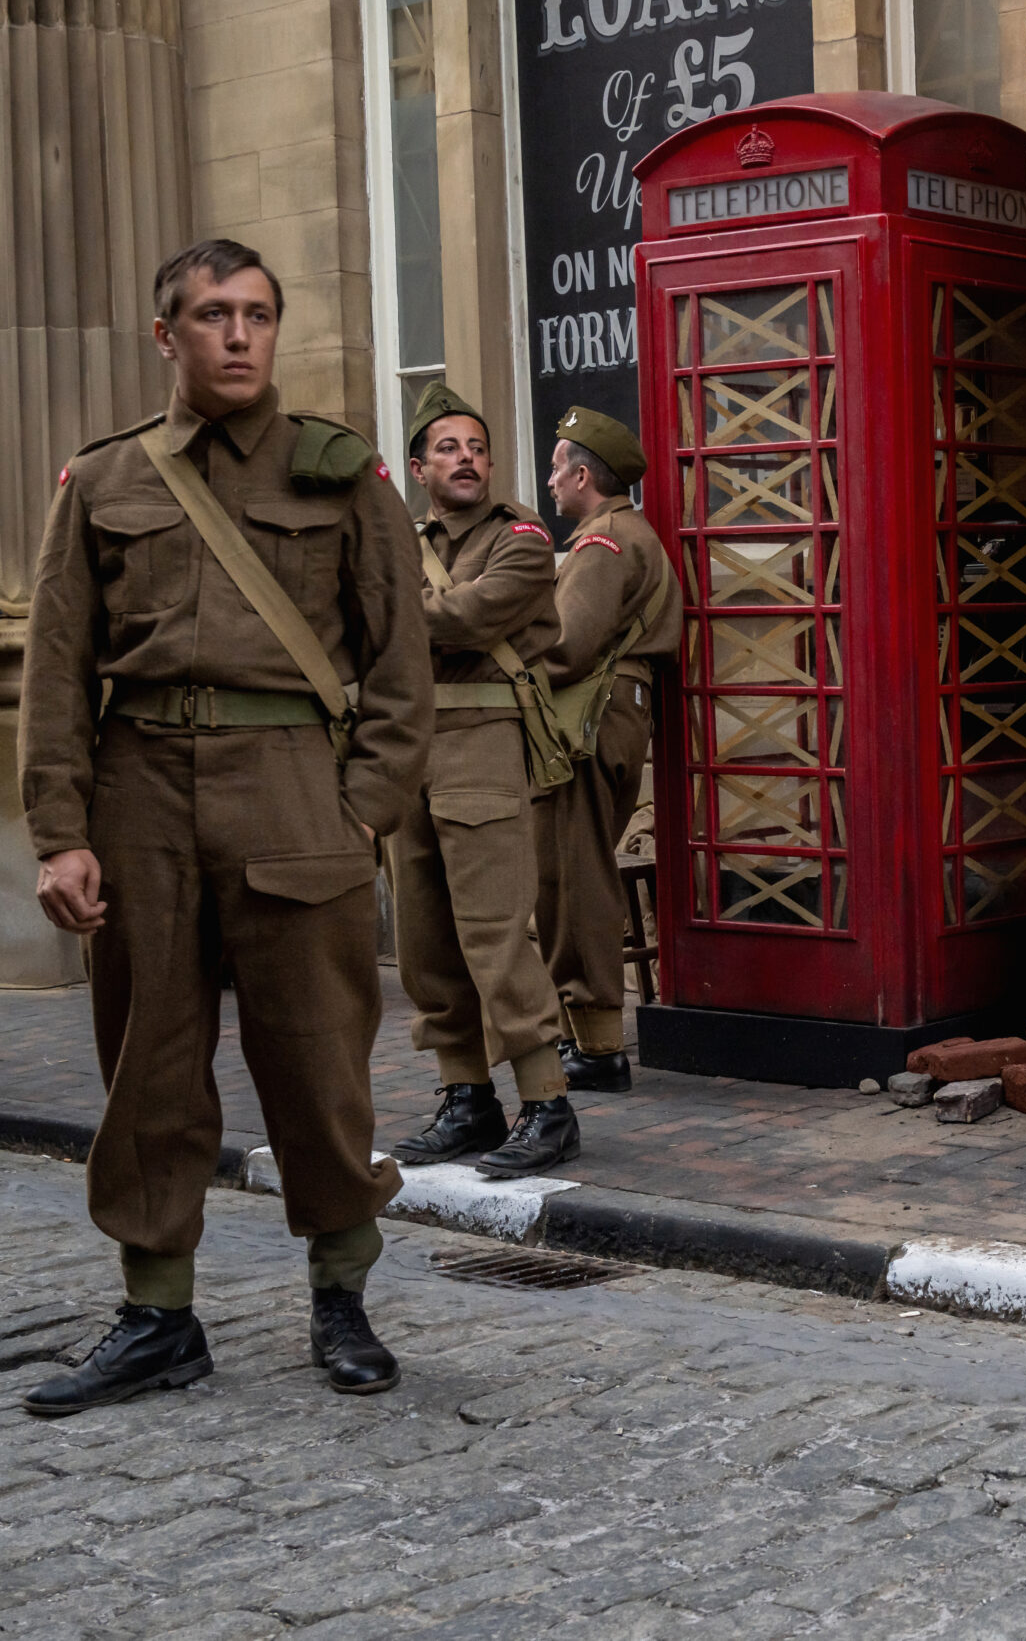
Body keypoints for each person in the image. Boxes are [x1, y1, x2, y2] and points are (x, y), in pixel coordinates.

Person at [19, 238, 431, 1412]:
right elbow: (57, 674)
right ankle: (158, 1316)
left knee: (316, 1059)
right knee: (146, 1066)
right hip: (138, 790)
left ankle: (342, 1297)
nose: (238, 335)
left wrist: (358, 811)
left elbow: (399, 670)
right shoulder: (104, 484)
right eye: (211, 315)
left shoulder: (340, 477)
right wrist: (61, 829)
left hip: (296, 788)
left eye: (256, 314)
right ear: (169, 338)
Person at [381, 384, 580, 1178]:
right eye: (448, 448)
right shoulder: (404, 540)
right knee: (426, 941)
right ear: (419, 467)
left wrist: (397, 609)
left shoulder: (523, 537)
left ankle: (547, 1100)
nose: (466, 459)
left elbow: (465, 620)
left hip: (483, 745)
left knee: (495, 932)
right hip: (409, 746)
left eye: (476, 448)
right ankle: (467, 1096)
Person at [533, 408, 677, 1094]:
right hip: (624, 712)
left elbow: (564, 646)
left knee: (572, 876)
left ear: (583, 474)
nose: (550, 480)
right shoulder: (634, 532)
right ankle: (584, 1034)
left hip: (589, 719)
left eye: (558, 466)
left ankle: (593, 1043)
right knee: (578, 867)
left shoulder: (602, 543)